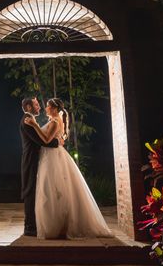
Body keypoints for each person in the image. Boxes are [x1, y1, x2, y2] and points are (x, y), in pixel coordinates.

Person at [24, 98, 114, 239]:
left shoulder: (54, 121)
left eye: (47, 106)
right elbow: (49, 139)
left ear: (54, 108)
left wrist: (35, 126)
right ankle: (53, 223)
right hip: (48, 156)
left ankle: (57, 225)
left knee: (54, 190)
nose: (45, 108)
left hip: (52, 157)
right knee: (51, 190)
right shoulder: (54, 120)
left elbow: (46, 140)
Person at [19, 97, 61, 237]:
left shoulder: (31, 119)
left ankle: (34, 224)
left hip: (37, 160)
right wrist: (57, 143)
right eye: (36, 105)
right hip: (31, 160)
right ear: (29, 107)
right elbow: (40, 141)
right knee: (30, 191)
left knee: (34, 190)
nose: (40, 107)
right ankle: (30, 227)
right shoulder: (27, 121)